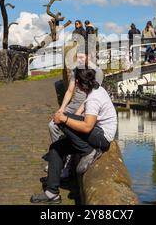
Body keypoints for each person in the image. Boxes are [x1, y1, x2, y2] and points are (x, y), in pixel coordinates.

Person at [31, 67, 117, 204]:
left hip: (102, 137)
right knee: (56, 148)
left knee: (61, 120)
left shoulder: (94, 98)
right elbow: (86, 112)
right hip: (96, 132)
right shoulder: (95, 88)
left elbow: (88, 126)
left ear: (77, 82)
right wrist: (71, 117)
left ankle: (88, 151)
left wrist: (65, 119)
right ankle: (52, 193)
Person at [47, 45, 104, 178]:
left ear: (88, 57)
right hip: (73, 105)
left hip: (87, 107)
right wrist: (62, 108)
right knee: (52, 125)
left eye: (81, 57)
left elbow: (92, 96)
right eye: (77, 57)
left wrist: (78, 113)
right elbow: (70, 91)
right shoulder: (76, 70)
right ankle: (59, 156)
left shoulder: (97, 72)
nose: (78, 60)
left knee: (71, 129)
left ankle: (66, 165)